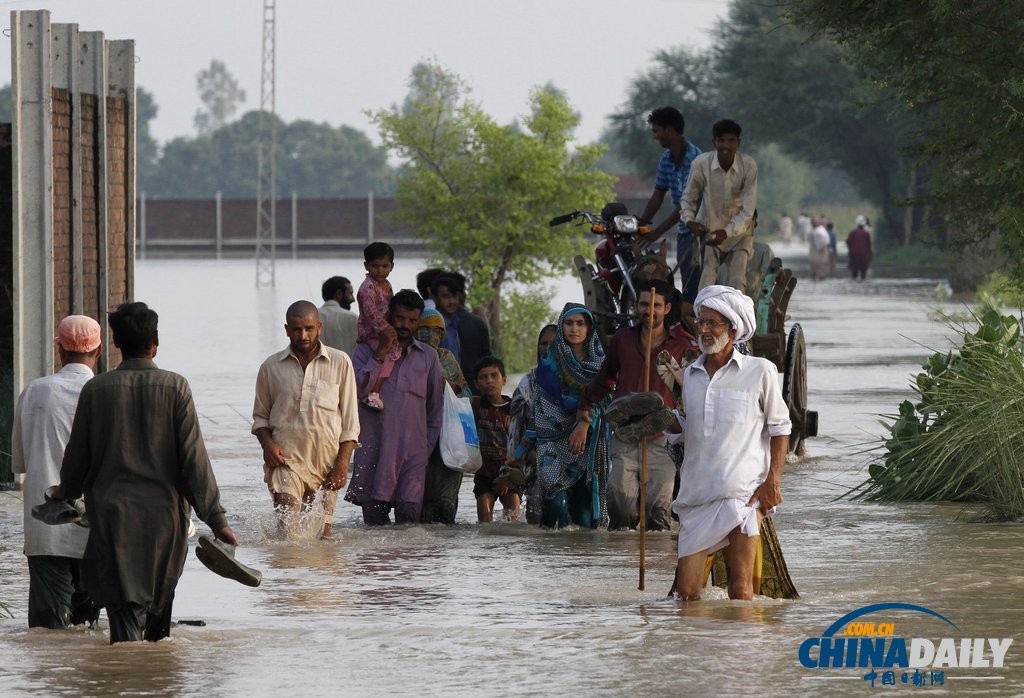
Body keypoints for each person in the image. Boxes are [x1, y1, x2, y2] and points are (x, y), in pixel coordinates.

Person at [56, 302, 239, 643]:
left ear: (115, 341)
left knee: (124, 618)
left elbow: (76, 460)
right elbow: (194, 462)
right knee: (159, 626)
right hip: (165, 525)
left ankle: (128, 679)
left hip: (113, 522)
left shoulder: (96, 390)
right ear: (155, 341)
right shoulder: (176, 387)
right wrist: (217, 520)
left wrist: (64, 494)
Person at [673, 285, 791, 601]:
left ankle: (741, 650)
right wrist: (660, 420)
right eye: (701, 322)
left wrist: (773, 482)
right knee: (686, 593)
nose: (705, 330)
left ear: (733, 328)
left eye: (714, 323)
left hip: (743, 495)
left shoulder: (760, 371)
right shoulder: (691, 376)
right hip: (697, 495)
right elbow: (689, 431)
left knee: (741, 588)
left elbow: (781, 428)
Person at [577, 280, 698, 530]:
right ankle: (623, 563)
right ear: (635, 306)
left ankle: (657, 562)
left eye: (656, 305)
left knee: (658, 510)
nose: (649, 310)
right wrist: (585, 408)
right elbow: (605, 378)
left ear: (666, 309)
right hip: (625, 432)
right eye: (644, 304)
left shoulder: (682, 346)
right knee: (620, 502)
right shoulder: (622, 340)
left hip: (663, 436)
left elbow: (695, 392)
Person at [12, 315, 102, 629]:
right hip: (96, 531)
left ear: (60, 351)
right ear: (99, 351)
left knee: (47, 633)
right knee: (87, 631)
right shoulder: (106, 394)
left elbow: (20, 463)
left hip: (44, 530)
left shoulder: (34, 392)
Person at [252, 300, 359, 538]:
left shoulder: (340, 363)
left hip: (327, 463)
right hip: (286, 460)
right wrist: (268, 445)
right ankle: (287, 574)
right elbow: (260, 418)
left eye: (309, 328)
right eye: (296, 329)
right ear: (287, 329)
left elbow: (351, 425)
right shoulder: (270, 367)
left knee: (321, 538)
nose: (303, 335)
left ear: (319, 328)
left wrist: (342, 466)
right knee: (288, 532)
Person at [345, 290, 444, 525]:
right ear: (389, 316)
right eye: (400, 318)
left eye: (411, 320)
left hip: (413, 456)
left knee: (409, 521)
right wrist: (381, 351)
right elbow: (356, 390)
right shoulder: (365, 350)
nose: (405, 325)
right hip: (374, 452)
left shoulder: (428, 356)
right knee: (374, 525)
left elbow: (435, 410)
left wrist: (424, 450)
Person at [513, 306, 611, 529]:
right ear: (562, 327)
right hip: (553, 447)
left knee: (583, 516)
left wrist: (584, 423)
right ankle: (553, 562)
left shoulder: (601, 365)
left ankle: (579, 563)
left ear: (589, 327)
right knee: (557, 508)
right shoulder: (548, 364)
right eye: (568, 323)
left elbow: (606, 406)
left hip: (588, 448)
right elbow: (540, 411)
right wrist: (519, 452)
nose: (574, 329)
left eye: (580, 323)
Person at [680, 119, 758, 294]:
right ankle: (703, 318)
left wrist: (726, 232)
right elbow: (688, 197)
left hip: (740, 233)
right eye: (721, 140)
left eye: (731, 141)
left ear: (738, 143)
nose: (726, 146)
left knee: (737, 280)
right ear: (714, 142)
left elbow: (747, 211)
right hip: (710, 230)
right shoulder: (701, 164)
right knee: (707, 281)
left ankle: (736, 320)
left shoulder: (748, 166)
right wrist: (689, 221)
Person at [638, 106, 703, 306]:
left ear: (670, 130)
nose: (654, 136)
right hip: (684, 231)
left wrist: (657, 233)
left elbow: (685, 205)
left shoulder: (696, 160)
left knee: (694, 288)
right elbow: (658, 195)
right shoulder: (666, 159)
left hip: (701, 231)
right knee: (686, 283)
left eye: (656, 130)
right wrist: (640, 223)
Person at [417, 307, 471, 524]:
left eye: (437, 330)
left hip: (448, 436)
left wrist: (449, 387)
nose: (432, 335)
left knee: (446, 504)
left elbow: (465, 392)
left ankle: (446, 555)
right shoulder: (410, 357)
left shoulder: (446, 357)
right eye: (425, 329)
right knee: (422, 505)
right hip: (419, 437)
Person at [507, 324, 557, 525]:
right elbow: (517, 425)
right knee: (536, 518)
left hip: (570, 461)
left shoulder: (574, 382)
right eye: (543, 344)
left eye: (553, 344)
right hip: (534, 461)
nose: (546, 348)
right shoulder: (528, 383)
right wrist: (520, 455)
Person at [471, 357, 520, 522]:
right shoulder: (474, 405)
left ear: (504, 380)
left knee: (513, 517)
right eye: (483, 378)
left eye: (494, 376)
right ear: (477, 384)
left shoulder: (515, 409)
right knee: (484, 521)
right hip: (484, 472)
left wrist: (507, 478)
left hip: (510, 471)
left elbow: (522, 443)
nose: (489, 381)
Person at [356, 242, 401, 412]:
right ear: (366, 265)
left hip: (383, 329)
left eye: (385, 266)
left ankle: (377, 390)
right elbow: (371, 315)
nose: (380, 270)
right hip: (371, 332)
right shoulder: (367, 288)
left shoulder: (387, 285)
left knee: (392, 355)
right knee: (388, 354)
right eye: (375, 266)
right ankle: (373, 392)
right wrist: (389, 331)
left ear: (392, 266)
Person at [432, 273, 492, 389]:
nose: (451, 301)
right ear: (435, 298)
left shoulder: (476, 323)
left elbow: (487, 361)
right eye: (445, 296)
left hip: (472, 387)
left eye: (455, 296)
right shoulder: (431, 326)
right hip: (440, 387)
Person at [319, 276, 358, 355]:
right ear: (339, 294)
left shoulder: (311, 317)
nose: (353, 299)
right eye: (350, 293)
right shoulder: (353, 318)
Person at [847, 215, 873, 280]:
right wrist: (870, 255)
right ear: (864, 224)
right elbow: (869, 245)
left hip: (854, 255)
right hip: (864, 256)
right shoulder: (866, 234)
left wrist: (850, 250)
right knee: (863, 274)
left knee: (854, 274)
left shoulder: (852, 233)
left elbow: (848, 242)